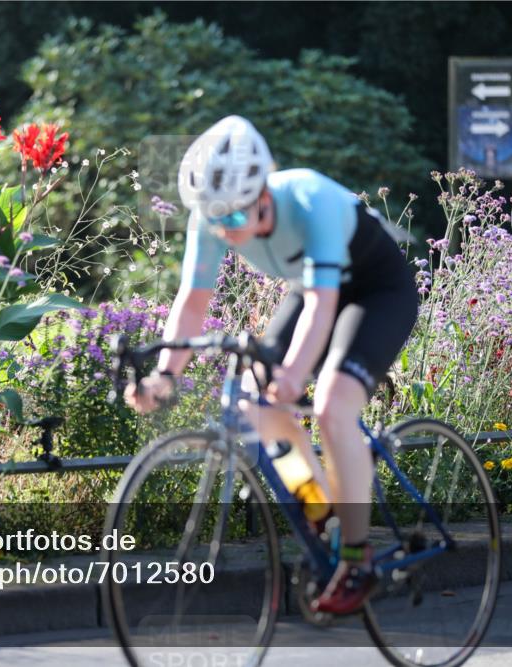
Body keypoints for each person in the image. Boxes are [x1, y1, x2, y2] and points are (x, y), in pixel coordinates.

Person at [124, 115, 418, 615]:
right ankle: (323, 502)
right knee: (252, 402)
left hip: (376, 292)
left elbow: (325, 308)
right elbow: (193, 302)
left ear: (263, 192)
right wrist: (164, 377)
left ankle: (356, 556)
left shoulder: (308, 200)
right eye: (216, 222)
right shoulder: (215, 215)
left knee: (330, 405)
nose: (227, 232)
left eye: (236, 221)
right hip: (313, 290)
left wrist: (294, 375)